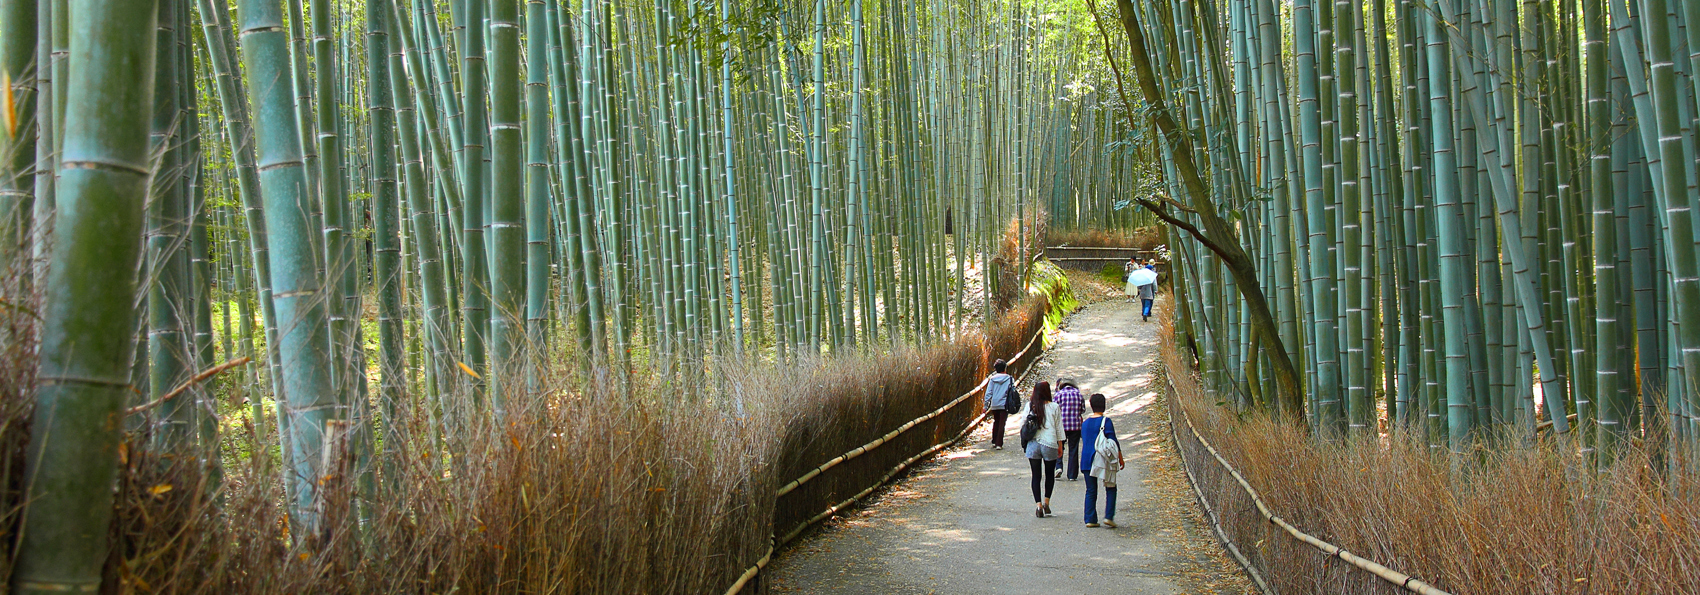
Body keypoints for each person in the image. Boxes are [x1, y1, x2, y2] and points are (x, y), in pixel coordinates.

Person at [1080, 393, 1125, 528]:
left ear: (1091, 405)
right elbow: (1113, 441)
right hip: (1102, 459)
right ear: (1104, 405)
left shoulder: (1085, 423)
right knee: (1111, 486)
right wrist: (1120, 458)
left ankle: (1090, 519)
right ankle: (1109, 516)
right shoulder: (1106, 421)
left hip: (1086, 459)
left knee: (1090, 490)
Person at [1020, 381, 1064, 518]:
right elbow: (1059, 428)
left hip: (1033, 444)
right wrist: (1060, 445)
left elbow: (1022, 424)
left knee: (1036, 475)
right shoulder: (1054, 407)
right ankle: (1046, 502)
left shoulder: (1030, 406)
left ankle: (1038, 505)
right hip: (1050, 443)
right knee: (1049, 474)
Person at [1054, 378, 1085, 480]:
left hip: (1061, 426)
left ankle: (1058, 467)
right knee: (1073, 449)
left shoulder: (1058, 394)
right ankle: (1072, 475)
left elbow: (1054, 409)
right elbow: (1082, 410)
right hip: (1075, 426)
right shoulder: (1079, 394)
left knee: (1059, 446)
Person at [983, 359, 1017, 450]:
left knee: (996, 421)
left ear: (996, 369)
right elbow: (1013, 391)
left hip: (995, 403)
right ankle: (999, 444)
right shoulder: (1010, 379)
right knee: (1002, 423)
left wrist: (985, 406)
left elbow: (988, 393)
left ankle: (994, 441)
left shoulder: (992, 379)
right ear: (1005, 368)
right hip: (1004, 404)